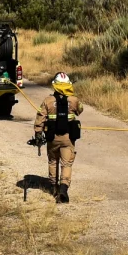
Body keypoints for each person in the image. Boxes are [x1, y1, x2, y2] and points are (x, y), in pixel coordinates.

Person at [34, 72, 83, 202]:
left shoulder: (47, 101)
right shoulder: (74, 100)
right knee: (66, 163)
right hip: (68, 138)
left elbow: (40, 118)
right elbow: (80, 110)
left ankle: (54, 188)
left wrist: (38, 133)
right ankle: (63, 188)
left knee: (53, 161)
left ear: (55, 86)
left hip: (52, 138)